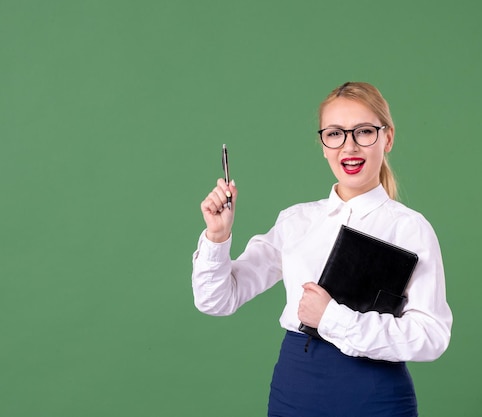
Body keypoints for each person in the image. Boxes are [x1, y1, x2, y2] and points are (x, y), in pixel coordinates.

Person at [191, 81, 452, 417]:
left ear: (387, 138)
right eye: (335, 134)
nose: (350, 147)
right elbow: (217, 300)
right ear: (323, 144)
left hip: (376, 397)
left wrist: (331, 318)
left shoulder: (409, 228)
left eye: (364, 132)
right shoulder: (296, 221)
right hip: (295, 391)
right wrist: (217, 236)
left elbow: (431, 336)